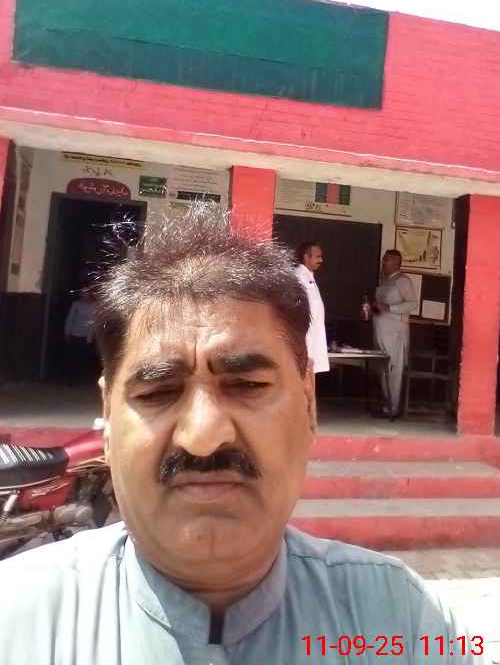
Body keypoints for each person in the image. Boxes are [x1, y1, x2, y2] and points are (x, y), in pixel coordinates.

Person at [0, 207, 481, 664]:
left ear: (308, 403)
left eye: (247, 386)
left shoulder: (401, 621)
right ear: (107, 415)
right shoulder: (17, 620)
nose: (203, 437)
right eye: (159, 392)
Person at [373, 249, 418, 418]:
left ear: (395, 263)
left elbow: (412, 304)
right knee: (382, 368)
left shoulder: (402, 281)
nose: (383, 262)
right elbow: (380, 306)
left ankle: (393, 408)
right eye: (383, 259)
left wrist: (390, 308)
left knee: (394, 369)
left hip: (395, 333)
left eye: (386, 260)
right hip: (381, 331)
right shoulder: (384, 281)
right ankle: (386, 405)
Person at [295, 241, 329, 373]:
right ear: (306, 257)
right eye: (318, 257)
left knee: (311, 371)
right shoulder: (299, 275)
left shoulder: (308, 276)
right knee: (304, 372)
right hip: (306, 336)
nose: (321, 260)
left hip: (314, 335)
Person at [64, 287, 96, 382]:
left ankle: (82, 378)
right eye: (82, 292)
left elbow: (95, 320)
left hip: (87, 335)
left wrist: (93, 335)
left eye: (86, 292)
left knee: (84, 357)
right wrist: (67, 331)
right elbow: (70, 318)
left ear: (90, 293)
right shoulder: (76, 304)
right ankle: (71, 378)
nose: (84, 294)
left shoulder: (94, 305)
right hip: (75, 333)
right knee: (73, 356)